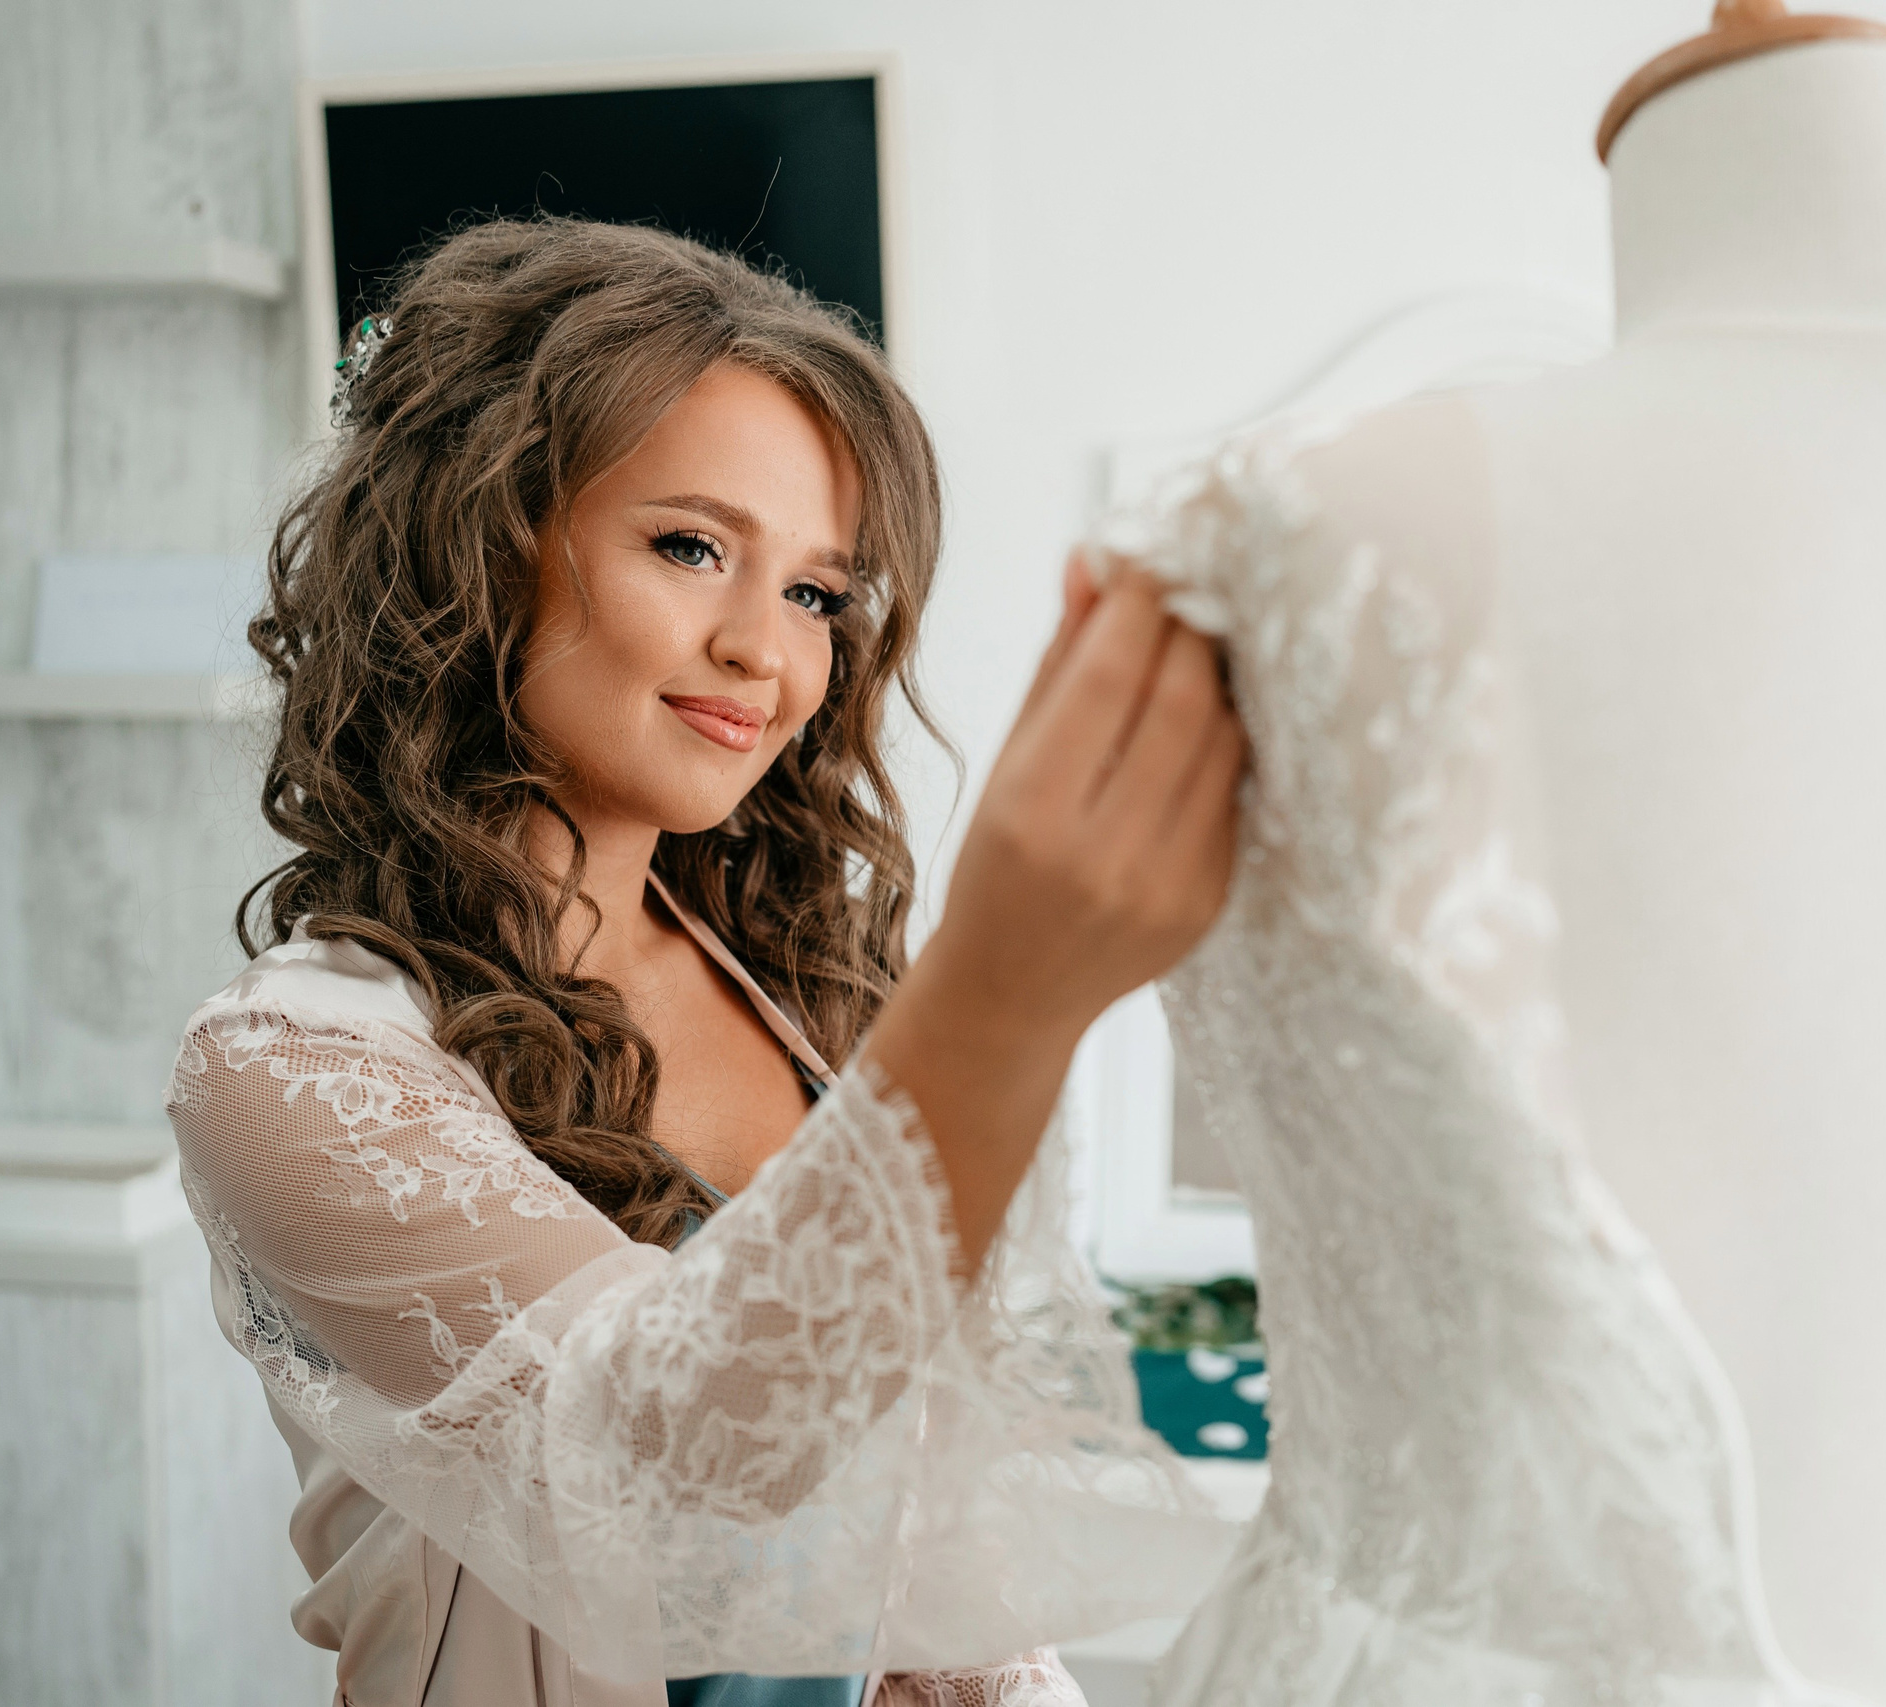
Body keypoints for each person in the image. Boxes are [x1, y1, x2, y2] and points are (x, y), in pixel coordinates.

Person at [162, 218, 1244, 1707]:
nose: (768, 651)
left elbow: (933, 1555)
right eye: (692, 545)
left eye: (815, 592)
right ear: (479, 549)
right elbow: (657, 1482)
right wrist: (1014, 980)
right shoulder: (291, 1068)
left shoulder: (808, 993)